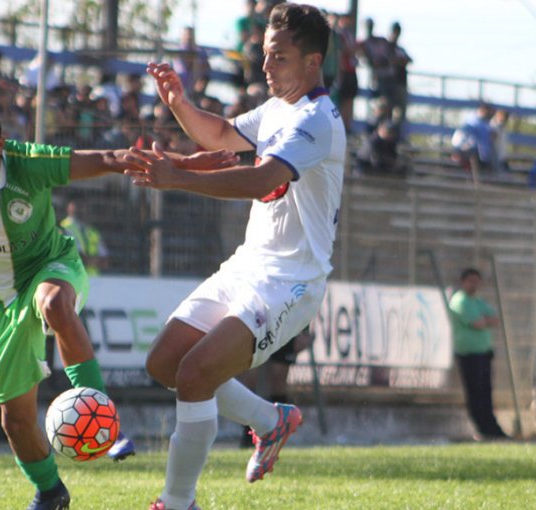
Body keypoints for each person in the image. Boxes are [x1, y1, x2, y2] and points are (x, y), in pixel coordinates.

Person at [0, 96, 236, 510]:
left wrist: (186, 164)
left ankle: (104, 419)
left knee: (52, 303)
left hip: (52, 266)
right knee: (15, 419)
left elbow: (108, 157)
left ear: (0, 144)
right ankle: (50, 492)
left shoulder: (29, 162)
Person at [132, 3, 345, 508]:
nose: (266, 66)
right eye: (265, 54)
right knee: (165, 362)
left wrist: (179, 178)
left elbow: (260, 179)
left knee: (195, 373)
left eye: (279, 57)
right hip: (248, 265)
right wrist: (180, 104)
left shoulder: (316, 120)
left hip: (291, 282)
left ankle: (177, 500)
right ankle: (271, 420)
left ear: (312, 63)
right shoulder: (276, 108)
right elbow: (223, 136)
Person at [449, 268, 509, 441]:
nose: (475, 284)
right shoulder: (460, 301)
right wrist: (484, 321)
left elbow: (495, 319)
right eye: (471, 281)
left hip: (483, 354)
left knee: (486, 392)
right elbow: (477, 323)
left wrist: (485, 321)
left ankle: (492, 428)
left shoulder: (477, 300)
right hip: (469, 355)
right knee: (476, 393)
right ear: (463, 281)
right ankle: (483, 428)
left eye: (477, 281)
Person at [236, 326, 312, 448]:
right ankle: (249, 434)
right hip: (257, 324)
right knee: (250, 378)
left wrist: (304, 331)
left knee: (278, 378)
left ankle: (278, 430)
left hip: (284, 324)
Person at [60, 199, 109, 276]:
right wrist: (93, 261)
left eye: (82, 206)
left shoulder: (93, 232)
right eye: (76, 205)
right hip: (72, 278)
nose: (80, 209)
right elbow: (74, 257)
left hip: (94, 280)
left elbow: (105, 261)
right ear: (68, 208)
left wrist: (87, 260)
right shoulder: (63, 228)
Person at [387, 22, 412, 129]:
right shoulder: (387, 47)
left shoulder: (400, 49)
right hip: (389, 83)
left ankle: (397, 134)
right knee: (388, 110)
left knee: (400, 112)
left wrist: (400, 61)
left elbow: (409, 60)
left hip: (401, 83)